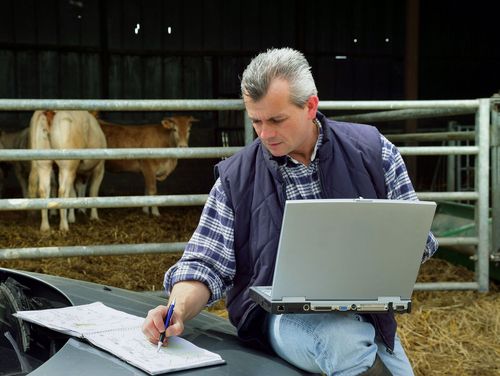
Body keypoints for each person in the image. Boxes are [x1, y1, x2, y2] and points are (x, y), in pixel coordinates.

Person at [142, 47, 438, 376]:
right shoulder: (236, 178)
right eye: (256, 121)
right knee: (344, 342)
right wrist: (176, 309)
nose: (265, 133)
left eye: (276, 120)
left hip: (366, 312)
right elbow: (205, 263)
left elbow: (416, 239)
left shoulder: (373, 150)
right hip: (277, 318)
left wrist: (390, 255)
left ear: (311, 106)